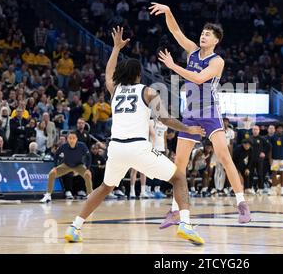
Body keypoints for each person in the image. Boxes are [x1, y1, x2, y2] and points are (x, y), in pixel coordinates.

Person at [64, 27, 206, 245]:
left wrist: (115, 48)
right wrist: (189, 130)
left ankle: (75, 227)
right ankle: (185, 224)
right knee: (178, 177)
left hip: (116, 148)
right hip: (138, 147)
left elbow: (108, 73)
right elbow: (166, 120)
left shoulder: (115, 90)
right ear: (138, 74)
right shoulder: (148, 91)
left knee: (105, 188)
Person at [149, 3, 251, 225]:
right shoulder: (193, 51)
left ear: (216, 40)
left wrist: (173, 66)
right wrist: (168, 11)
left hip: (210, 112)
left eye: (208, 34)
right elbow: (176, 32)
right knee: (180, 164)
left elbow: (197, 78)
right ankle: (175, 210)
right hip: (191, 113)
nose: (203, 36)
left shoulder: (217, 61)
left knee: (223, 156)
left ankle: (241, 203)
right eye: (203, 33)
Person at [40, 131, 92, 203]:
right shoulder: (63, 146)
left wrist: (88, 168)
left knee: (87, 174)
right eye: (70, 138)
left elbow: (89, 157)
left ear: (76, 139)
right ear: (67, 139)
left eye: (73, 138)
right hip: (66, 165)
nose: (72, 140)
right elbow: (56, 155)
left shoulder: (82, 145)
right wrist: (55, 167)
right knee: (52, 173)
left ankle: (90, 195)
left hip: (78, 165)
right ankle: (48, 195)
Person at [268, 123, 283, 196]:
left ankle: (282, 189)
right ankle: (273, 189)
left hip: (282, 159)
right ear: (276, 129)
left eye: (281, 128)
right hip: (274, 159)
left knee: (282, 173)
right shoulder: (273, 137)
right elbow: (270, 148)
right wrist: (270, 158)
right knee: (274, 173)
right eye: (278, 128)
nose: (280, 129)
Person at [250, 125, 267, 194]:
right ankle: (250, 187)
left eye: (256, 129)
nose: (255, 131)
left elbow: (269, 146)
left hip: (259, 160)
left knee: (260, 174)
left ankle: (260, 188)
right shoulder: (249, 138)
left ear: (259, 131)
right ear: (252, 130)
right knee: (250, 174)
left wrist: (264, 152)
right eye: (254, 129)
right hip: (251, 159)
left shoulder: (262, 138)